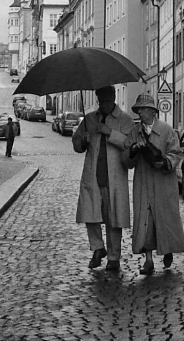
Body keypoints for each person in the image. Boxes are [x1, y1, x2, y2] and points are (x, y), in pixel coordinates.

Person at [72, 86, 135, 271]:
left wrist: (109, 132)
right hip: (93, 176)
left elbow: (130, 144)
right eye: (101, 101)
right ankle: (98, 248)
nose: (103, 105)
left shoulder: (125, 120)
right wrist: (81, 140)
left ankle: (114, 257)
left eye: (107, 101)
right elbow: (77, 145)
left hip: (114, 178)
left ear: (114, 99)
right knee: (90, 215)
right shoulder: (90, 119)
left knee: (113, 218)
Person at [124, 93, 184, 275]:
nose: (140, 113)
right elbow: (126, 159)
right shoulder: (134, 132)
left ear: (152, 111)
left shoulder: (167, 130)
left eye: (142, 109)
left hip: (163, 183)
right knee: (145, 221)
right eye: (138, 110)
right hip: (143, 182)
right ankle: (148, 259)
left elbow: (176, 153)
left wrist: (165, 162)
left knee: (166, 219)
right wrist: (134, 150)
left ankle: (168, 250)